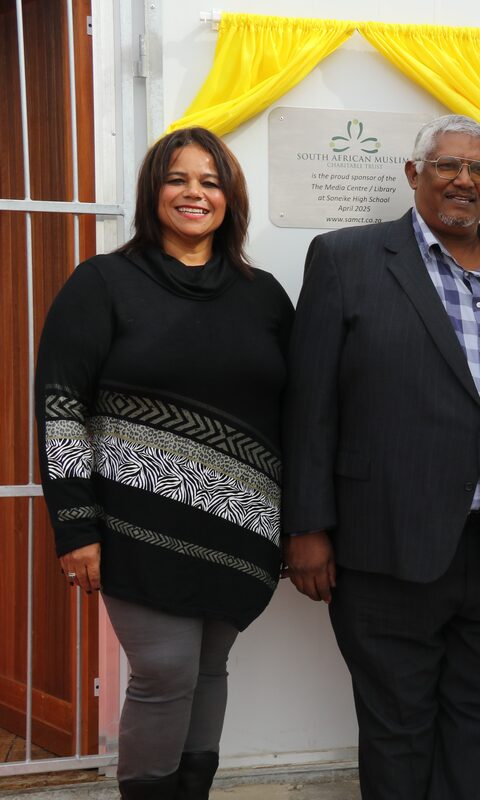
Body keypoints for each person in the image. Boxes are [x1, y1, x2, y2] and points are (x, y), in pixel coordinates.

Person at [282, 113, 480, 799]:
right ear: (415, 174)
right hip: (386, 545)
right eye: (447, 165)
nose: (463, 180)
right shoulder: (345, 260)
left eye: (478, 170)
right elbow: (309, 407)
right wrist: (306, 526)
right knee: (397, 724)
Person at [36, 128, 293, 799]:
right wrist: (75, 527)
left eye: (210, 181)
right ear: (154, 191)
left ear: (229, 197)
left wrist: (300, 521)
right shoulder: (103, 284)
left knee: (209, 669)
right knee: (164, 671)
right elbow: (62, 408)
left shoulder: (263, 296)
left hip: (240, 528)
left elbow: (293, 411)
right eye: (178, 179)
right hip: (135, 528)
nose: (194, 193)